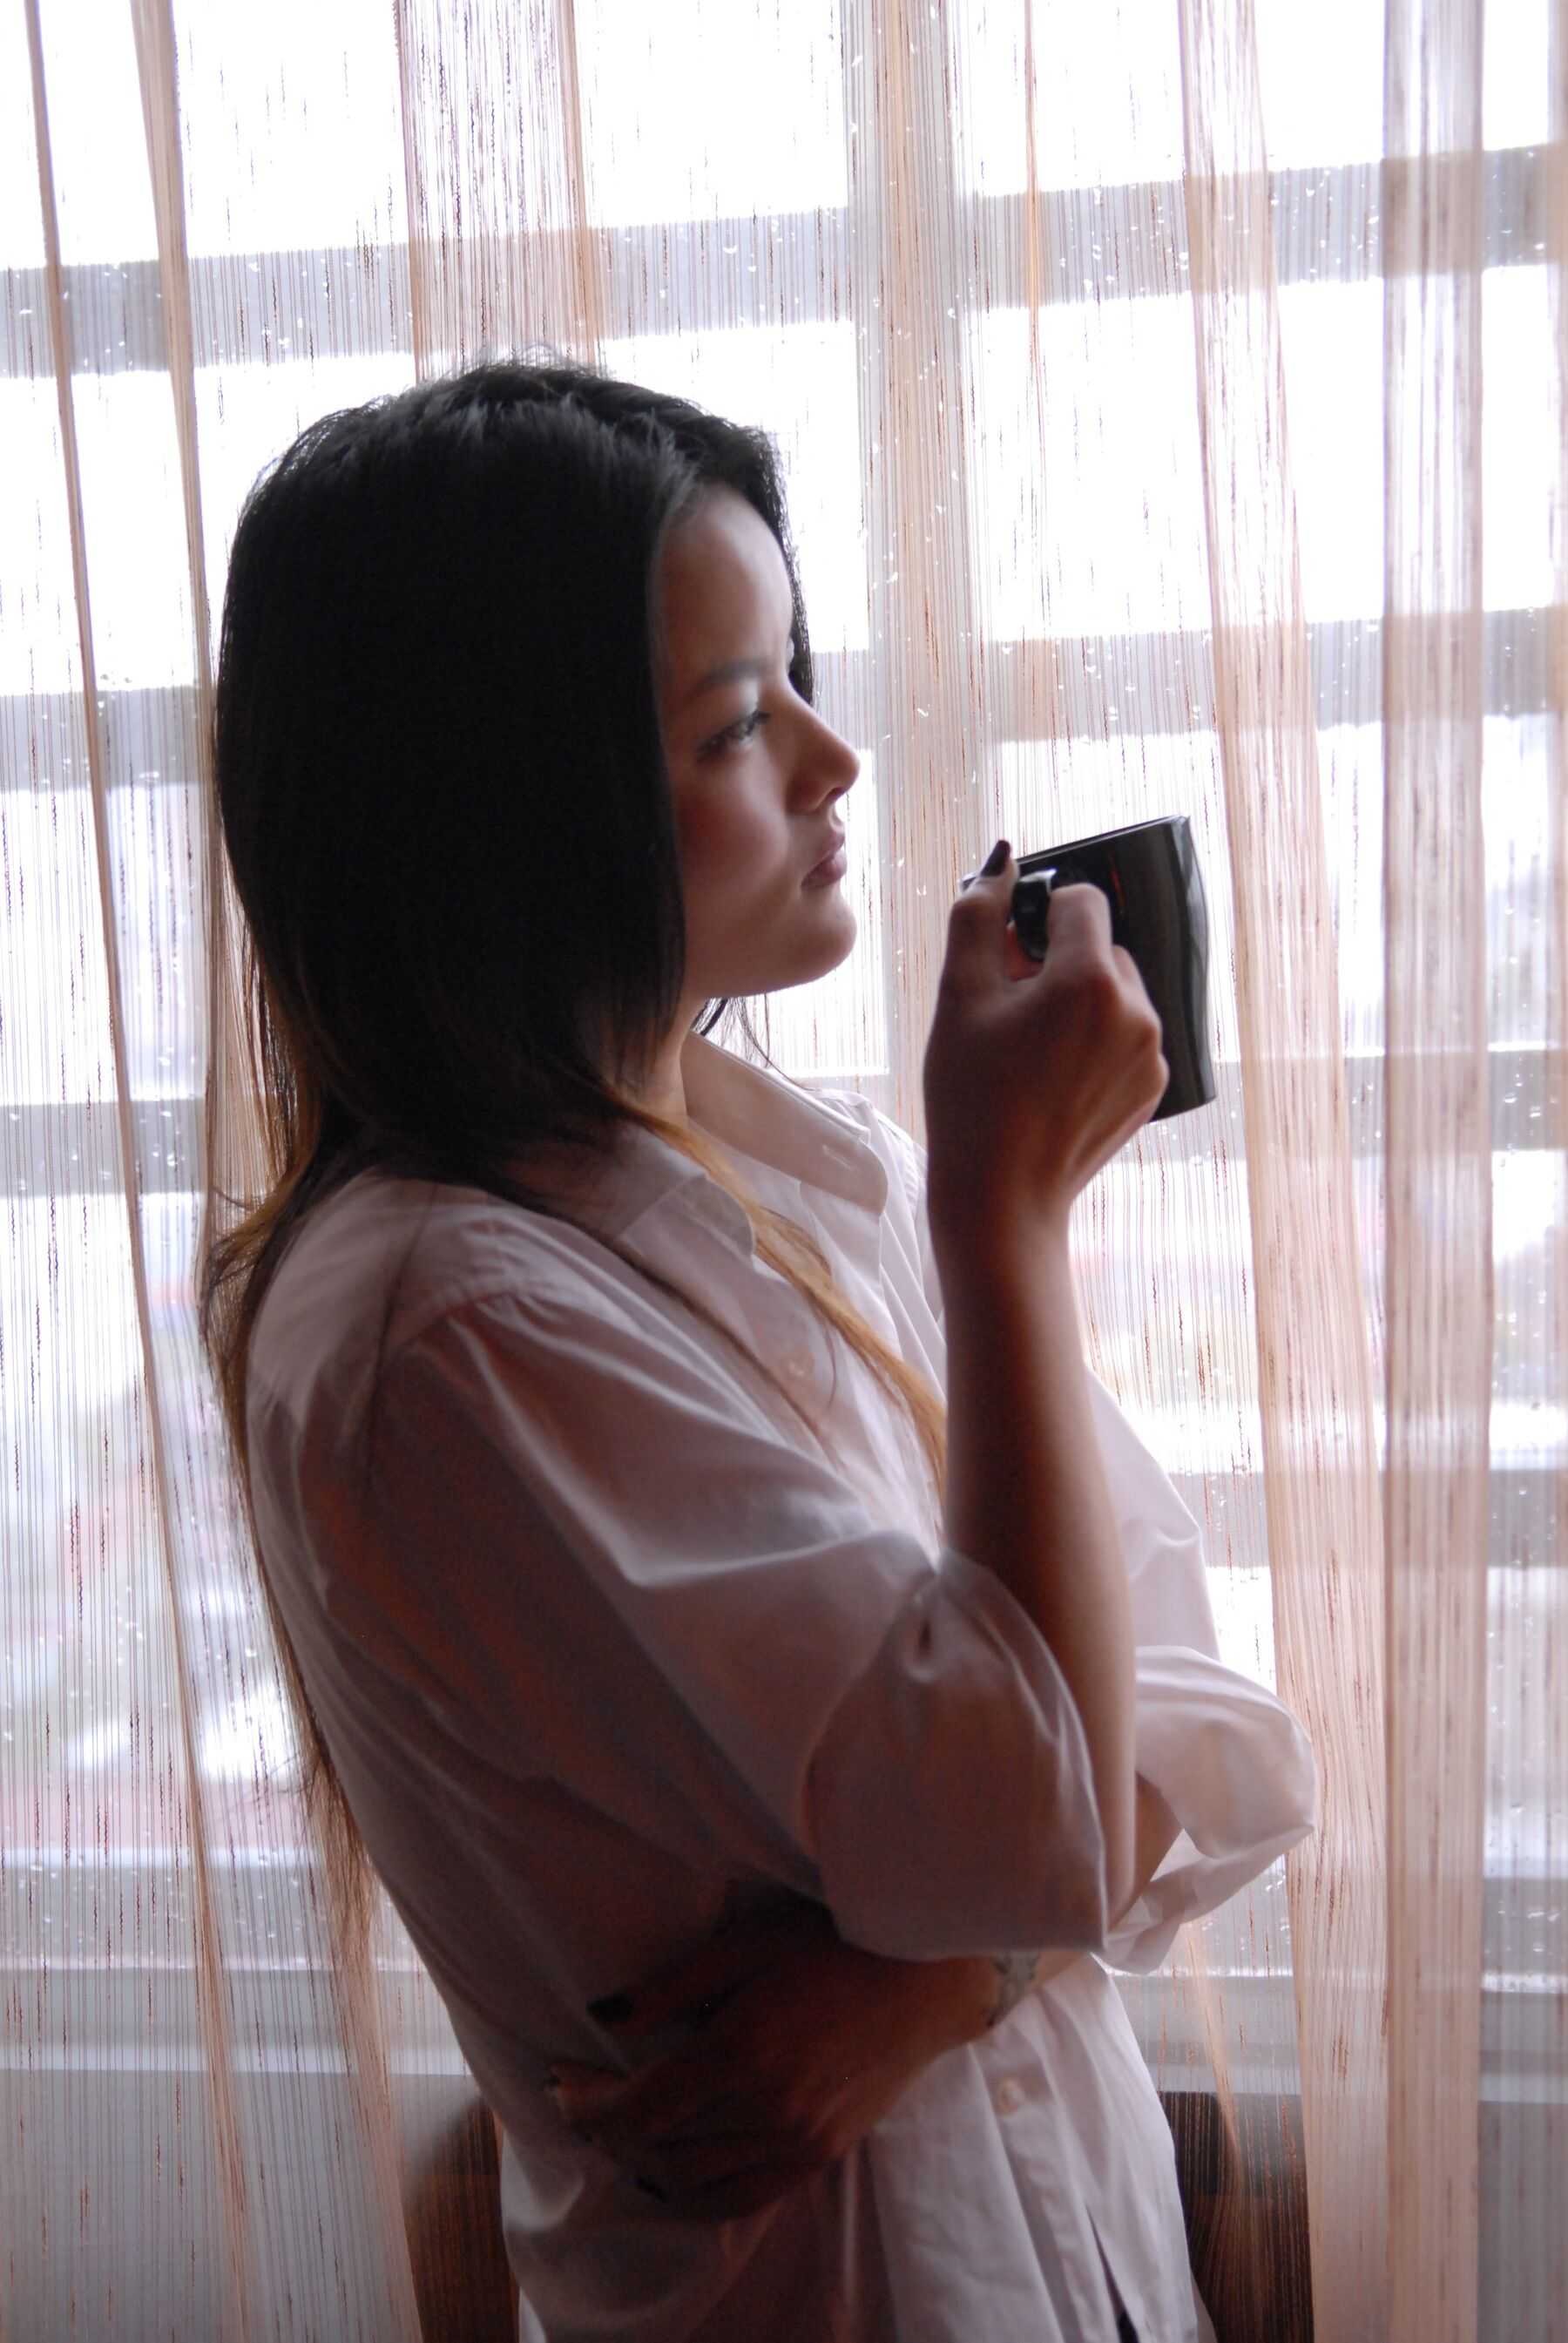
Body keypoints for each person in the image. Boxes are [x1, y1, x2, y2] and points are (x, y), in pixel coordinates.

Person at [200, 356, 1316, 2343]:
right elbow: (1049, 1811)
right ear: (510, 813)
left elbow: (1206, 1722)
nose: (834, 756)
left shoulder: (807, 1164)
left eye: (795, 675)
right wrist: (1010, 1220)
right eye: (737, 720)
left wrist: (936, 1978)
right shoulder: (443, 1334)